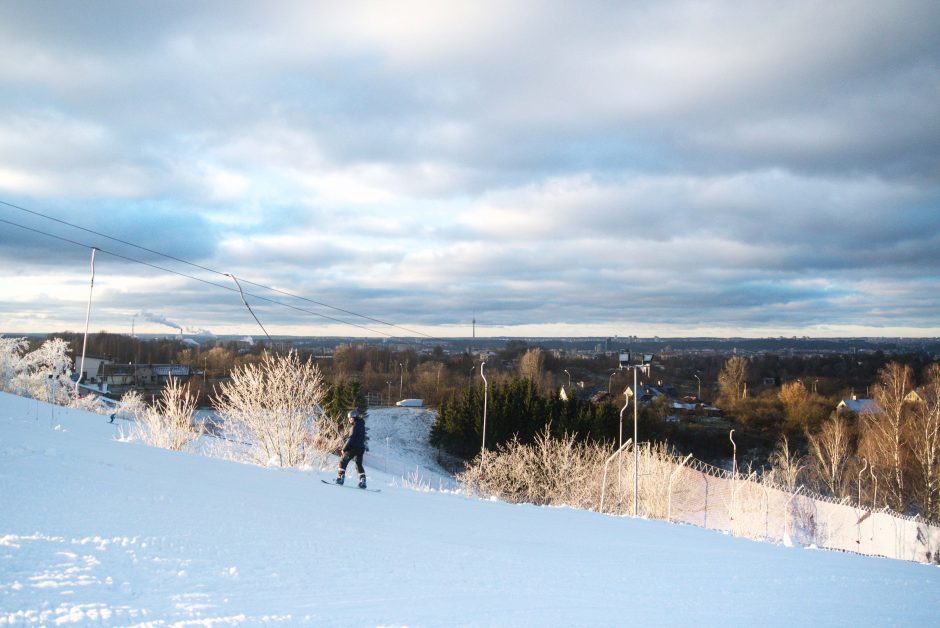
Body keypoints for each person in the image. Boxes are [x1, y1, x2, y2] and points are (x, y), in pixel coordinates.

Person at [335, 410, 367, 488]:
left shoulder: (354, 426)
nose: (349, 420)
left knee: (343, 461)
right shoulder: (362, 425)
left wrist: (344, 448)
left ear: (354, 418)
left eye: (351, 418)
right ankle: (363, 481)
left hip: (353, 448)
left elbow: (351, 438)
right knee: (358, 464)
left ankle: (340, 478)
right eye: (349, 418)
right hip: (361, 448)